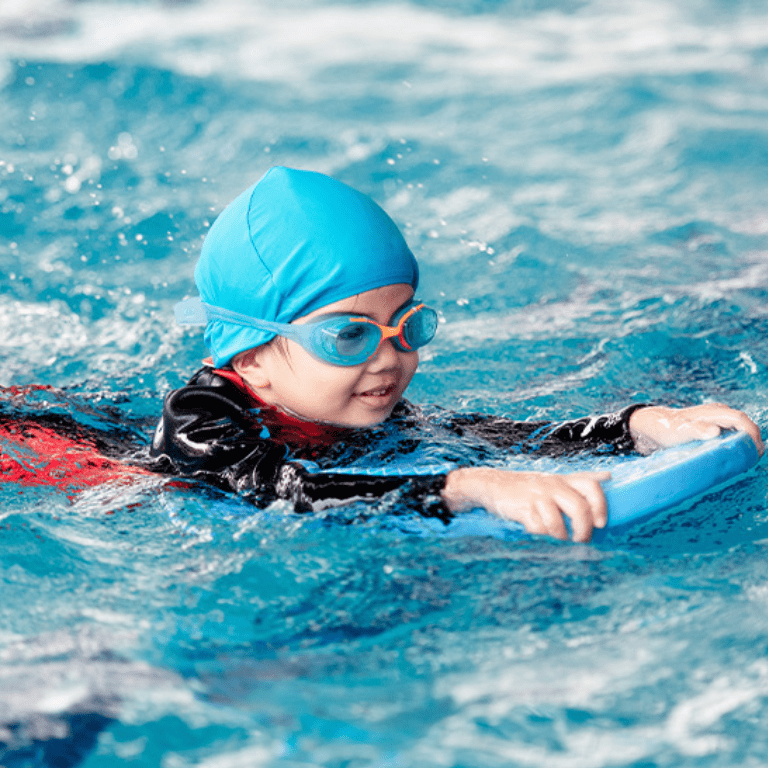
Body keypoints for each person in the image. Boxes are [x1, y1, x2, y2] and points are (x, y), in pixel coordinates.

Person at [149, 166, 763, 542]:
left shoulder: (352, 401)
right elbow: (287, 492)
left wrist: (635, 425)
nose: (389, 358)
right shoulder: (200, 423)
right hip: (82, 470)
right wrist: (463, 489)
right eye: (348, 336)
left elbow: (489, 437)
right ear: (251, 357)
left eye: (406, 326)